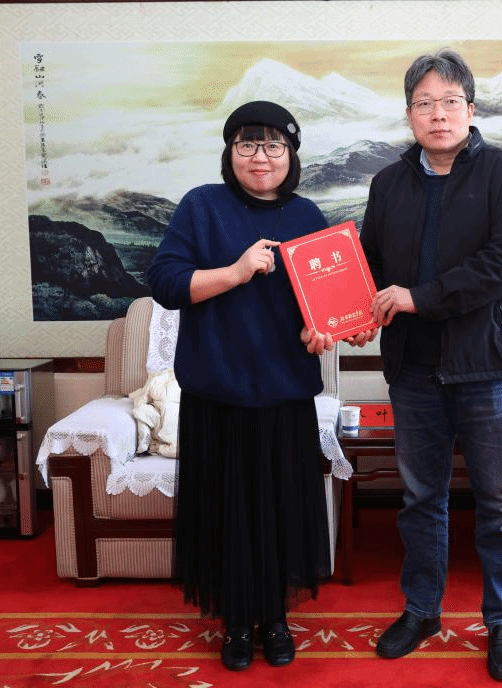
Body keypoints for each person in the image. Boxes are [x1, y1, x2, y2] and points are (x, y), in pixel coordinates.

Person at [356, 49, 502, 682]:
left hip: (488, 364)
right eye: (425, 103)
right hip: (414, 368)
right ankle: (422, 611)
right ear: (409, 114)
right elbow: (370, 266)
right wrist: (355, 313)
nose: (439, 114)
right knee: (420, 498)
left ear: (471, 109)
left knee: (498, 501)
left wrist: (417, 297)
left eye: (450, 102)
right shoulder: (388, 184)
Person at [146, 101, 335, 672]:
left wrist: (320, 329)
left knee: (280, 510)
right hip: (218, 389)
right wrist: (235, 271)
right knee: (225, 512)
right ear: (230, 153)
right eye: (247, 144)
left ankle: (275, 617)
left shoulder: (306, 215)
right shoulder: (202, 206)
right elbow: (165, 282)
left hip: (285, 391)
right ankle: (233, 620)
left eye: (274, 145)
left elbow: (323, 304)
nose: (261, 156)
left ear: (291, 155)